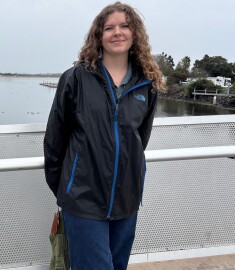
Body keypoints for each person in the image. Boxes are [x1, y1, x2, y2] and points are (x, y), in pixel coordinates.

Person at [43, 2, 164, 269]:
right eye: (109, 28)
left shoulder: (147, 84)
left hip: (127, 200)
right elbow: (54, 141)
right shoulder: (75, 79)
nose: (117, 32)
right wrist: (66, 189)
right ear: (98, 36)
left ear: (135, 34)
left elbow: (139, 140)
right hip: (83, 200)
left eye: (124, 26)